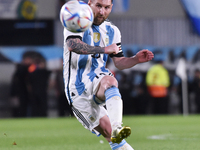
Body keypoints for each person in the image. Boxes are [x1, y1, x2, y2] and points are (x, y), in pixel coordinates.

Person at [62, 0, 154, 150]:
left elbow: (119, 62)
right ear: (90, 3)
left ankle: (117, 126)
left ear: (111, 7)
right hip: (77, 89)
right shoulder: (77, 21)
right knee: (112, 138)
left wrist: (135, 59)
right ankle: (115, 131)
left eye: (106, 7)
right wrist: (104, 49)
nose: (102, 12)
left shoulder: (113, 31)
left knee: (110, 81)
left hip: (98, 79)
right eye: (98, 6)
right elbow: (73, 45)